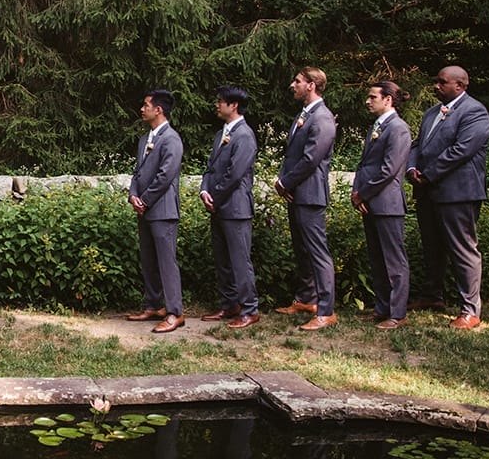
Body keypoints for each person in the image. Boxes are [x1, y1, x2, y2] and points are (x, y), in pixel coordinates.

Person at [407, 65, 489, 329]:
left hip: (458, 193)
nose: (436, 86)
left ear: (460, 85)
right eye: (437, 80)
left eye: (442, 82)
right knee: (432, 246)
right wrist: (411, 168)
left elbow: (461, 150)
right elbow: (417, 144)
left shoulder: (475, 112)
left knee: (462, 249)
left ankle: (470, 309)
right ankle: (432, 296)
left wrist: (429, 174)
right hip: (428, 191)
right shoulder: (432, 112)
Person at [273, 67, 338, 330]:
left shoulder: (322, 118)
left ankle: (326, 310)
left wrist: (285, 182)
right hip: (297, 192)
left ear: (311, 85)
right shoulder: (305, 115)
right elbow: (293, 155)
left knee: (317, 252)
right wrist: (282, 180)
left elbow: (311, 158)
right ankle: (306, 298)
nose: (293, 85)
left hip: (310, 194)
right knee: (302, 249)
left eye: (298, 81)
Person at [351, 81, 412, 329]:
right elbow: (365, 164)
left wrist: (363, 194)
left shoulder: (398, 129)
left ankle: (398, 313)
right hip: (370, 201)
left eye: (372, 97)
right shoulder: (377, 127)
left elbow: (389, 169)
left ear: (388, 99)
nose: (368, 101)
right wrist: (357, 191)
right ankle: (382, 307)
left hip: (387, 203)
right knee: (377, 258)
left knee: (394, 260)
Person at [198, 86, 259, 329]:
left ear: (233, 105)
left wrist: (215, 195)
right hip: (219, 206)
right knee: (222, 259)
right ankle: (229, 304)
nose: (217, 104)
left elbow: (235, 174)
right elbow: (211, 167)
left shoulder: (244, 135)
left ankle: (249, 309)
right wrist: (204, 190)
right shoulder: (221, 134)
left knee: (239, 260)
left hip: (235, 208)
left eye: (220, 101)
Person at [125, 90, 185, 332]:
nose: (142, 108)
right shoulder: (144, 139)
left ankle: (175, 312)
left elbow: (165, 175)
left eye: (146, 104)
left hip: (163, 210)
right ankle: (153, 305)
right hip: (145, 209)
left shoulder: (172, 139)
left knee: (166, 261)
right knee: (148, 259)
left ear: (158, 110)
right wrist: (132, 194)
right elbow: (138, 172)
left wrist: (145, 200)